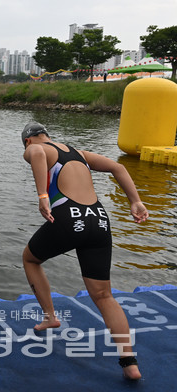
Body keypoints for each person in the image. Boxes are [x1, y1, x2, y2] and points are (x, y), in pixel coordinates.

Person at [21, 122, 148, 380]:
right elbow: (118, 167)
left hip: (68, 218)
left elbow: (36, 154)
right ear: (47, 134)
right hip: (99, 220)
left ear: (27, 140)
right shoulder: (78, 152)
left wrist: (43, 195)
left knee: (30, 259)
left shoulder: (35, 147)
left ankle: (50, 317)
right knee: (103, 295)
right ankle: (129, 362)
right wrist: (135, 200)